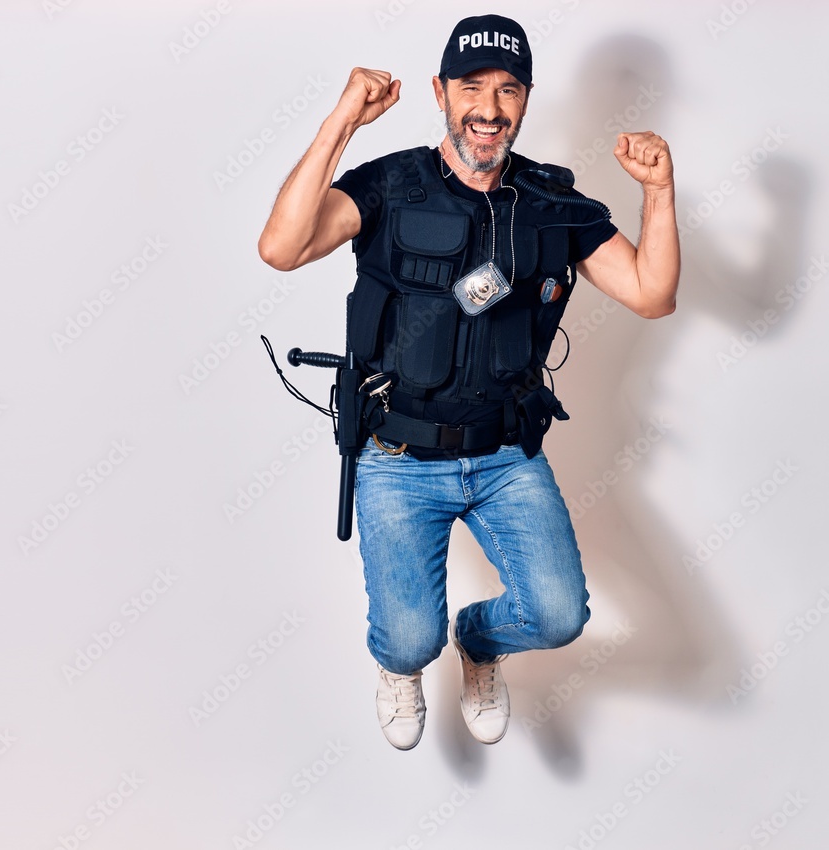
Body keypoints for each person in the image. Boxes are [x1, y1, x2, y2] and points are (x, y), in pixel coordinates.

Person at [257, 14, 679, 750]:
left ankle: (479, 646)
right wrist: (341, 123)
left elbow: (651, 292)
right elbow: (280, 247)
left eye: (508, 89)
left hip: (505, 458)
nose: (489, 107)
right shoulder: (390, 185)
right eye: (471, 87)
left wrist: (661, 191)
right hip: (397, 461)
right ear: (441, 93)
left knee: (557, 616)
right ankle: (405, 665)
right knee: (407, 641)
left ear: (527, 98)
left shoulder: (553, 206)